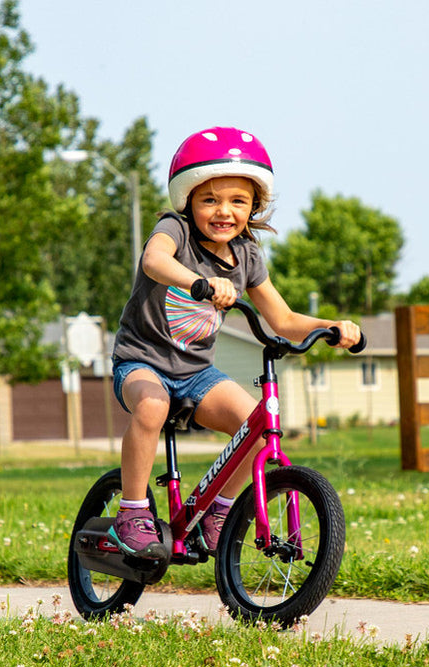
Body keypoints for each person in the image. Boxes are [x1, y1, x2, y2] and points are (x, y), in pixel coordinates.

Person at [108, 126, 361, 559]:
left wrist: (333, 326)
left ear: (254, 206)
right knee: (151, 406)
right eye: (210, 200)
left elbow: (283, 319)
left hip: (195, 373)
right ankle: (132, 512)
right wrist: (199, 282)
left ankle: (218, 512)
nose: (224, 211)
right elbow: (154, 260)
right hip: (141, 362)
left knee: (257, 429)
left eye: (238, 201)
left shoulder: (247, 256)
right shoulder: (175, 230)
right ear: (188, 200)